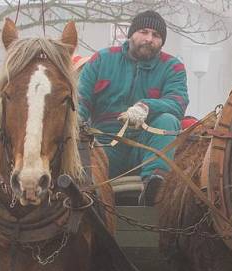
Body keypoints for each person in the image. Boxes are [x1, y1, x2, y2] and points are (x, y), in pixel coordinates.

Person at [78, 10, 188, 206]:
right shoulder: (101, 60)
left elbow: (178, 102)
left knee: (168, 120)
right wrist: (75, 123)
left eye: (156, 35)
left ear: (162, 42)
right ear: (131, 34)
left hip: (147, 145)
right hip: (104, 144)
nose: (149, 39)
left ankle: (155, 187)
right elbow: (80, 101)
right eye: (144, 32)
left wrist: (146, 106)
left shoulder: (173, 67)